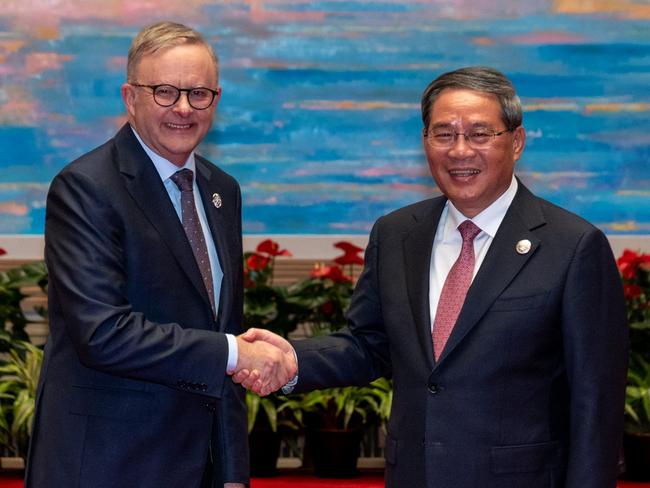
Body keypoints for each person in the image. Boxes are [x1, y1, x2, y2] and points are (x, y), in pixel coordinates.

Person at [237, 67, 628, 487]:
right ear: (425, 142)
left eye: (480, 134)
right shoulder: (397, 234)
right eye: (444, 134)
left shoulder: (573, 246)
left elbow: (596, 404)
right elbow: (370, 345)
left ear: (516, 142)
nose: (460, 151)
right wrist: (292, 360)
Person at [25, 21, 295, 488]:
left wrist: (232, 470)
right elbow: (103, 332)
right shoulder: (86, 187)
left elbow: (221, 325)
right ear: (130, 98)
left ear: (216, 99)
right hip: (107, 465)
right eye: (165, 92)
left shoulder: (220, 190)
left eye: (200, 93)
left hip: (199, 466)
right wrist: (234, 353)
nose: (184, 109)